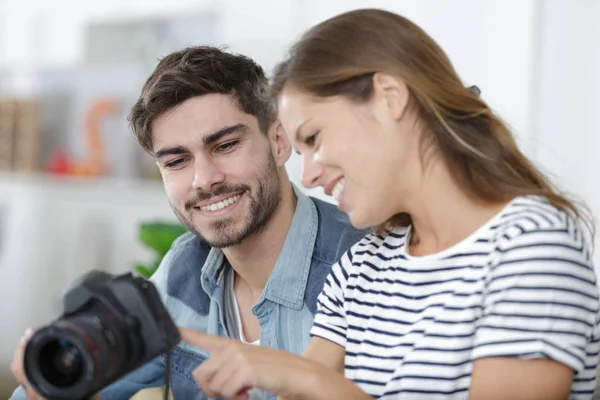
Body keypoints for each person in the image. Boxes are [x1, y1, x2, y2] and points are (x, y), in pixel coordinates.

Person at [170, 8, 600, 400]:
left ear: (390, 97)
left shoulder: (529, 249)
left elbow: (313, 385)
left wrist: (312, 380)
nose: (309, 175)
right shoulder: (363, 268)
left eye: (315, 138)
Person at [9, 46, 367, 400]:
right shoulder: (185, 270)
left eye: (225, 145)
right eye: (177, 161)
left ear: (278, 141)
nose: (203, 179)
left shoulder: (366, 267)